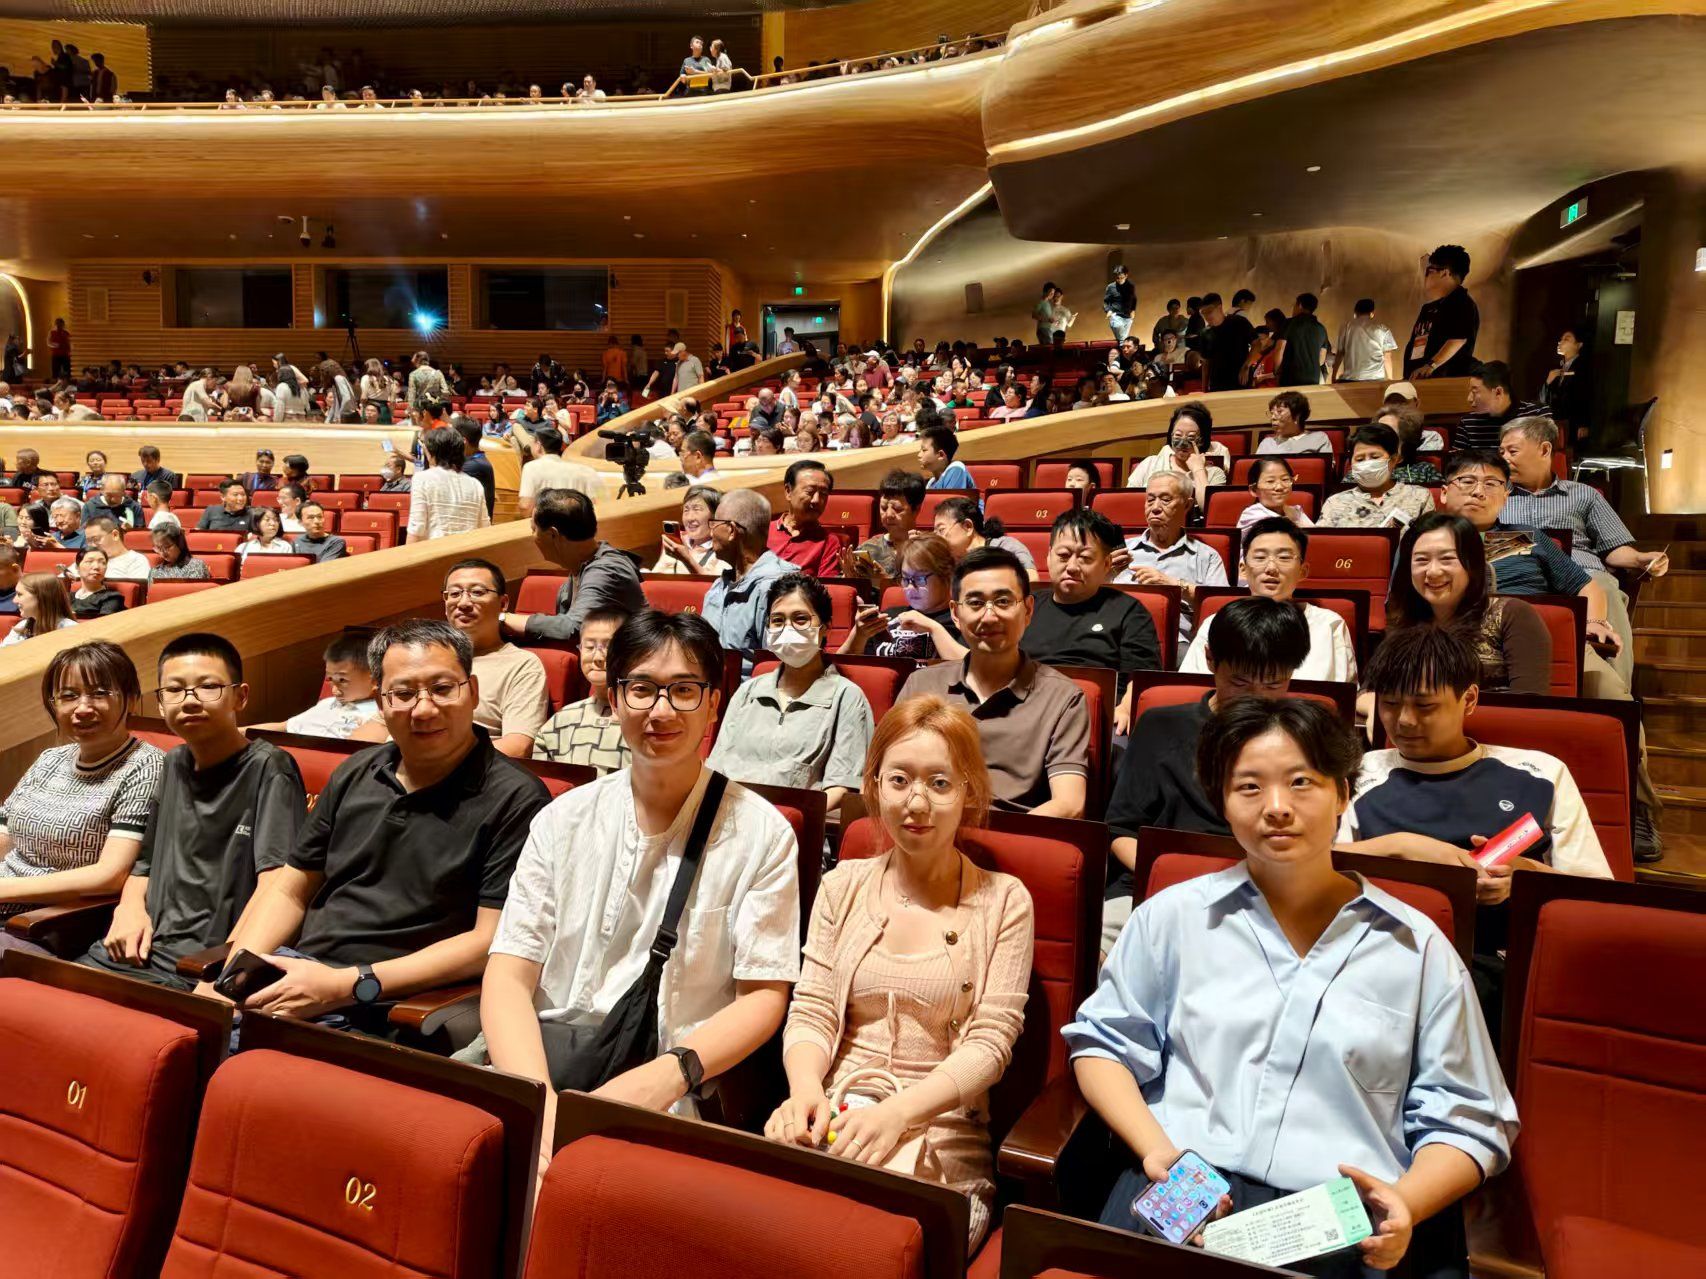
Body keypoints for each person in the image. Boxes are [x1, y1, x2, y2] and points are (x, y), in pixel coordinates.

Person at [1069, 697, 1517, 1276]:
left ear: (1342, 794)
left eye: (1301, 782)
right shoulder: (1172, 917)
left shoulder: (1416, 946)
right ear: (1222, 803)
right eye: (1249, 787)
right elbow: (1103, 1045)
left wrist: (1406, 1202)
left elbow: (1469, 1116)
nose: (1276, 807)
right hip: (1184, 1187)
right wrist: (1157, 1150)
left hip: (1341, 1219)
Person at [477, 610, 800, 1138]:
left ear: (713, 704)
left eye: (684, 690)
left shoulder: (761, 832)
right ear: (614, 700)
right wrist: (543, 1107)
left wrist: (668, 1076)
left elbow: (763, 994)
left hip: (668, 1081)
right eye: (642, 689)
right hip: (541, 1062)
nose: (661, 710)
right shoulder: (562, 819)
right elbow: (510, 973)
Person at [764, 696, 1033, 1248]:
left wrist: (897, 1114)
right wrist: (805, 1090)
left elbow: (990, 1044)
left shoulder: (1005, 901)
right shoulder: (842, 885)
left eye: (940, 783)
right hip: (833, 1118)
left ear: (969, 792)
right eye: (899, 780)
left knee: (865, 1246)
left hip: (942, 1140)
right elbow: (813, 1007)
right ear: (874, 785)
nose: (917, 802)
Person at [200, 621, 552, 1039]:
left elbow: (488, 941)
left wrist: (343, 985)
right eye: (402, 694)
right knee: (189, 1033)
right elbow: (291, 891)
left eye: (442, 688)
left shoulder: (517, 797)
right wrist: (232, 977)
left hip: (387, 1002)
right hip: (296, 972)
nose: (424, 709)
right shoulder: (355, 771)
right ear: (380, 703)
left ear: (472, 691)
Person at [1437, 449, 1663, 856]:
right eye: (1467, 481)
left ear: (1506, 495)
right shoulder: (1427, 540)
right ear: (1444, 492)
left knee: (1615, 703)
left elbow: (1585, 586)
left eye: (1492, 483)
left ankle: (1637, 807)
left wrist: (1594, 621)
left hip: (1553, 644)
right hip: (1459, 647)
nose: (1478, 491)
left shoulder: (1530, 538)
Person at [81, 633, 307, 990]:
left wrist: (224, 972)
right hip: (135, 952)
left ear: (240, 696)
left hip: (199, 968)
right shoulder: (173, 762)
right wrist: (129, 910)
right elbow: (144, 864)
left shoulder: (270, 767)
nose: (189, 700)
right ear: (160, 703)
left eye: (208, 687)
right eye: (174, 689)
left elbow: (276, 884)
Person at [1101, 597, 1311, 951]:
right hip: (1156, 885)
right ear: (1211, 659)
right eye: (1240, 682)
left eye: (1273, 684)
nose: (1255, 698)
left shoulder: (1304, 739)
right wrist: (1178, 879)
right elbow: (1120, 830)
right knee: (1101, 953)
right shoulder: (1160, 727)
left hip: (1262, 893)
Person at [1340, 624, 1611, 894]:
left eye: (1424, 706)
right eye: (1390, 703)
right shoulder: (1358, 773)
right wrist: (1399, 847)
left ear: (1469, 699)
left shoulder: (1542, 773)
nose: (1405, 720)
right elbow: (1321, 864)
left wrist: (1526, 877)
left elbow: (1595, 892)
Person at [897, 548, 1089, 818]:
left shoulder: (1063, 698)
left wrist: (1000, 840)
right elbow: (888, 773)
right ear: (955, 613)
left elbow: (1070, 804)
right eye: (975, 603)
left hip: (1012, 834)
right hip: (923, 825)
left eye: (1003, 601)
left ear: (1028, 610)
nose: (989, 616)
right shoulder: (921, 684)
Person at [0, 642, 165, 945]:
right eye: (68, 696)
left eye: (99, 693)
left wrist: (4, 890)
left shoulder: (146, 766)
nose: (83, 708)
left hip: (46, 922)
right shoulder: (50, 759)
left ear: (131, 699)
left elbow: (109, 876)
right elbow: (4, 835)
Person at [1500, 414, 1665, 685]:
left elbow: (1612, 548)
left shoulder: (1583, 494)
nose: (1504, 458)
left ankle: (1614, 690)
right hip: (1523, 575)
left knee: (1606, 588)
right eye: (1502, 452)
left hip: (1583, 572)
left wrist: (1640, 558)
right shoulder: (1497, 496)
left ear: (1544, 449)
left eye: (1512, 451)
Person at [708, 575, 875, 819]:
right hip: (726, 818)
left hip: (793, 827)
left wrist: (777, 821)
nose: (788, 629)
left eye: (800, 619)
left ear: (825, 626)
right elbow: (715, 771)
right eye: (778, 620)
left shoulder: (847, 697)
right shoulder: (748, 692)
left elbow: (842, 788)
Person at [1386, 512, 1552, 695]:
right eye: (1421, 560)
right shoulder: (1403, 620)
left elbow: (1529, 704)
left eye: (1447, 559)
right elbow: (1373, 688)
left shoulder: (1512, 614)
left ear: (1472, 564)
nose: (1433, 571)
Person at [1027, 510, 1161, 732]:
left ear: (1107, 564)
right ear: (1049, 557)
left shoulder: (1129, 611)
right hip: (1025, 712)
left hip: (1098, 719)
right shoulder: (1026, 606)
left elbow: (1141, 677)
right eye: (1063, 555)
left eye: (1085, 558)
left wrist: (1125, 709)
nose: (1072, 566)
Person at [1182, 519, 1356, 683]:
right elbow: (1194, 689)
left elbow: (1342, 696)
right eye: (1260, 557)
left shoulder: (1329, 624)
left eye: (1284, 557)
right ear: (1243, 569)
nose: (1271, 568)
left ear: (1303, 571)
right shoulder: (1216, 623)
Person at [409, 560, 548, 759]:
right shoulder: (423, 657)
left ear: (503, 604)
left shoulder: (522, 665)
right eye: (454, 594)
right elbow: (381, 725)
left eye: (477, 592)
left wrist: (438, 764)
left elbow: (518, 747)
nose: (463, 603)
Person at [497, 489, 644, 647]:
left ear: (553, 535)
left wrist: (502, 618)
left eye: (534, 529)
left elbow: (575, 628)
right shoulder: (581, 565)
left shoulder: (607, 569)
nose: (533, 536)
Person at [1115, 473, 1230, 649]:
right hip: (1120, 636)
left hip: (1176, 642)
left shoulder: (1206, 556)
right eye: (1150, 500)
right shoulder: (1121, 551)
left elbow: (1221, 608)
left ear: (1187, 505)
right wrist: (1103, 573)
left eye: (1165, 500)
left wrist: (1174, 585)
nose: (1155, 507)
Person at [532, 607, 631, 774]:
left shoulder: (644, 718)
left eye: (608, 647)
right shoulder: (561, 721)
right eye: (590, 647)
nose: (598, 657)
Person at [841, 533, 967, 662]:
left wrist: (933, 629)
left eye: (920, 579)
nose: (910, 587)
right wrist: (859, 634)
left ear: (947, 576)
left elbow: (971, 667)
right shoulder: (886, 617)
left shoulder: (961, 621)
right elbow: (839, 667)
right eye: (906, 579)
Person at [698, 489, 795, 653]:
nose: (711, 532)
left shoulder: (778, 589)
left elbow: (778, 662)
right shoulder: (718, 587)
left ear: (731, 530)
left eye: (714, 524)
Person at [1319, 424, 1432, 528]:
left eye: (1375, 457)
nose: (1367, 464)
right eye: (1360, 459)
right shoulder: (1335, 503)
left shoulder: (1419, 497)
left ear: (1394, 460)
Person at [1122, 402, 1229, 509]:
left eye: (1191, 437)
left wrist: (1198, 470)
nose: (1182, 443)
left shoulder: (1215, 474)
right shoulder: (1149, 464)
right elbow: (1128, 503)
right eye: (1178, 435)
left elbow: (1209, 510)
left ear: (1202, 440)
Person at [1405, 244, 1480, 380]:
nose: (1425, 277)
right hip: (1418, 380)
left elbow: (1458, 338)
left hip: (1442, 383)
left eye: (1429, 271)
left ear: (1445, 273)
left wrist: (1431, 365)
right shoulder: (1429, 308)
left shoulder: (1462, 302)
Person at [408, 425, 491, 541]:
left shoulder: (422, 479)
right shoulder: (475, 484)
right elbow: (485, 529)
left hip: (434, 550)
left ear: (431, 452)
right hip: (467, 550)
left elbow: (416, 529)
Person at [842, 468, 923, 584]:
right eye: (884, 508)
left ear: (916, 510)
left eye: (897, 509)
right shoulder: (867, 549)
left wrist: (885, 582)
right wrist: (850, 580)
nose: (889, 514)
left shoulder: (928, 549)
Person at [766, 460, 844, 577]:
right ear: (788, 491)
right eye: (809, 492)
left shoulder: (829, 542)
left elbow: (826, 586)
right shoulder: (763, 531)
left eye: (823, 493)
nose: (816, 500)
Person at [932, 495, 1037, 579]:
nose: (936, 538)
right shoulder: (947, 562)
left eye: (941, 530)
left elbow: (1031, 580)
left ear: (968, 526)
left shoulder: (1006, 547)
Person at [1458, 361, 1547, 454]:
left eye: (1474, 392)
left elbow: (1545, 456)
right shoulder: (1467, 423)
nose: (1469, 399)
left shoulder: (1538, 414)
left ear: (1498, 392)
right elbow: (1458, 461)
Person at [518, 425, 600, 515]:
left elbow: (526, 506)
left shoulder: (531, 467)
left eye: (532, 443)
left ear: (538, 445)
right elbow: (596, 505)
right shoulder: (586, 471)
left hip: (546, 522)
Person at [651, 484, 727, 576]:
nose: (689, 518)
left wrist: (686, 558)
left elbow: (717, 583)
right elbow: (655, 576)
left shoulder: (724, 548)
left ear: (715, 515)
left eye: (697, 509)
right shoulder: (676, 542)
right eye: (686, 510)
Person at [1538, 325, 1591, 442]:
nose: (1561, 342)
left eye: (1566, 339)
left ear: (1579, 345)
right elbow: (1543, 399)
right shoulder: (1557, 366)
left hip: (1573, 422)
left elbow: (1585, 395)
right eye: (1561, 339)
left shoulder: (1583, 367)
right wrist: (1548, 382)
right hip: (1555, 422)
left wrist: (1583, 423)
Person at [1235, 456, 1315, 532]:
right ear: (1254, 490)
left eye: (1285, 479)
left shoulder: (1296, 513)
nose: (1279, 487)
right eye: (1270, 481)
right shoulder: (1251, 516)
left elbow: (1314, 538)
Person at [1, 572, 79, 646]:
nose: (14, 600)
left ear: (41, 597)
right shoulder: (22, 626)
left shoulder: (71, 630)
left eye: (19, 594)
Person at [1332, 297, 1399, 383]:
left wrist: (1333, 376)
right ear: (1372, 313)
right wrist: (1390, 378)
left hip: (1351, 379)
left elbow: (1340, 353)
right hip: (1376, 379)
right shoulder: (1383, 329)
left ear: (1355, 312)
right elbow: (1387, 356)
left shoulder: (1346, 327)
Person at [1271, 292, 1332, 386]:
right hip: (1313, 377)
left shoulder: (1288, 323)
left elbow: (1280, 348)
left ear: (1299, 305)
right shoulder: (1321, 328)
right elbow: (1321, 359)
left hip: (1290, 376)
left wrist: (1277, 372)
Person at [1380, 403, 1445, 486]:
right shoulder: (1371, 468)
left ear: (1407, 435)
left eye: (1387, 430)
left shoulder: (1426, 470)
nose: (1379, 434)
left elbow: (1441, 492)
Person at [1257, 389, 1334, 455]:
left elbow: (1327, 466)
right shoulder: (1267, 443)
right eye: (1272, 413)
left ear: (1297, 416)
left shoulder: (1318, 439)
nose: (1273, 417)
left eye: (1279, 411)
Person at [83, 515, 150, 580]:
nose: (92, 545)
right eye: (89, 541)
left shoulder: (136, 560)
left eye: (96, 539)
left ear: (115, 535)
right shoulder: (86, 561)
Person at [70, 547, 126, 619]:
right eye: (89, 561)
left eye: (102, 563)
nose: (96, 567)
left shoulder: (112, 598)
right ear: (77, 567)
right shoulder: (67, 597)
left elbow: (103, 623)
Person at [917, 425, 974, 490]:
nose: (919, 455)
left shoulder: (956, 469)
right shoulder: (931, 483)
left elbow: (951, 497)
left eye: (924, 450)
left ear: (941, 455)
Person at [1103, 265, 1136, 342]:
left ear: (1126, 275)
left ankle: (1121, 348)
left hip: (1127, 316)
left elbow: (1134, 298)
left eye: (1122, 277)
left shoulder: (1130, 286)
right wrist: (1108, 310)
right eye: (1117, 278)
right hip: (1115, 315)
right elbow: (1106, 301)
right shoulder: (1110, 287)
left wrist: (1133, 310)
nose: (1119, 280)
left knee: (1122, 339)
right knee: (1122, 339)